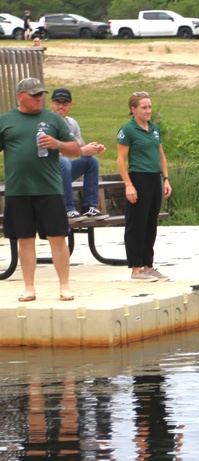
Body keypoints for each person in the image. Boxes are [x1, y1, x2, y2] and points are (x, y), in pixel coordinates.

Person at [0, 77, 82, 302]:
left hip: (49, 189)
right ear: (20, 96)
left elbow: (76, 149)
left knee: (57, 237)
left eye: (41, 95)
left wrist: (57, 144)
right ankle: (29, 288)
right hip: (19, 190)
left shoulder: (53, 119)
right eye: (34, 95)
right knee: (24, 239)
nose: (39, 99)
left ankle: (64, 286)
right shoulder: (5, 120)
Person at [116, 91, 171, 282]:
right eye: (143, 107)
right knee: (137, 223)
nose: (148, 111)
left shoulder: (154, 128)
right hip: (138, 177)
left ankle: (149, 265)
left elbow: (161, 155)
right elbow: (121, 159)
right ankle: (136, 268)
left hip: (154, 177)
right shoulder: (128, 130)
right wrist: (128, 185)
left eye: (149, 107)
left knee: (150, 223)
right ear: (133, 109)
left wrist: (166, 178)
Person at [47, 88, 109, 223]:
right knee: (65, 161)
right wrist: (81, 150)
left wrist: (93, 149)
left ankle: (89, 207)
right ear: (51, 103)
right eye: (58, 103)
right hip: (48, 172)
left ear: (71, 105)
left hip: (64, 171)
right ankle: (68, 209)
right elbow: (48, 151)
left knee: (92, 161)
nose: (61, 106)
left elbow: (80, 146)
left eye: (65, 103)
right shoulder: (47, 123)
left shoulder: (72, 123)